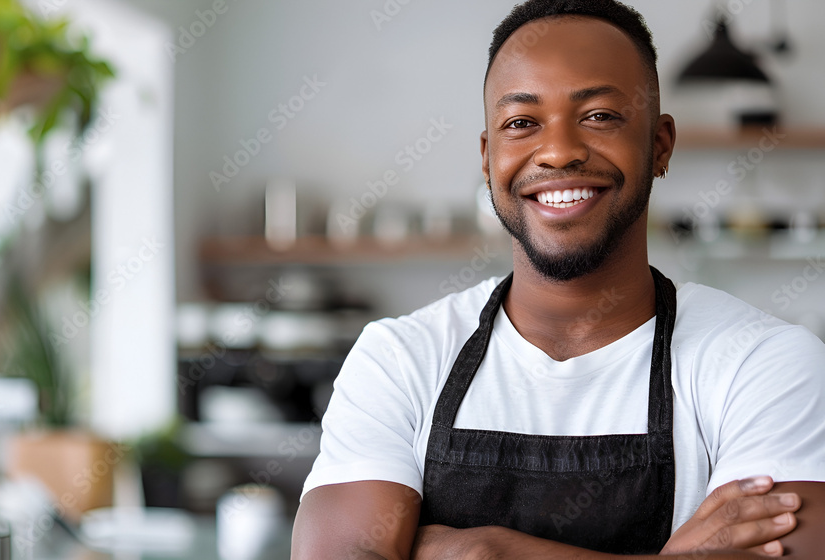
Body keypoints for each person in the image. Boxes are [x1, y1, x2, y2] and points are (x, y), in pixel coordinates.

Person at [292, 1, 825, 558]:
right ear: (487, 156)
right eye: (521, 123)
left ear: (660, 145)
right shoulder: (400, 358)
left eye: (599, 116)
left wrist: (483, 551)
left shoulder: (763, 364)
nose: (559, 151)